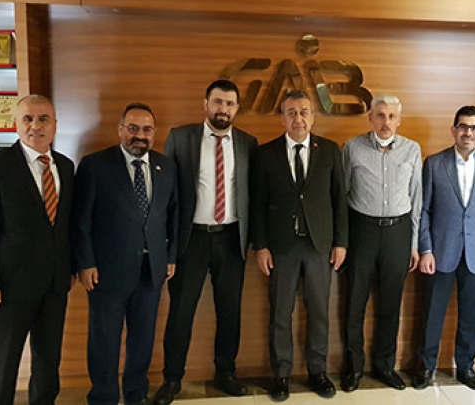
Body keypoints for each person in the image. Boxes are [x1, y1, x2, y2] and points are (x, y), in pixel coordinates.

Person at [152, 80, 258, 404]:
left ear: (237, 108)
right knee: (181, 312)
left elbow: (253, 195)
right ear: (206, 104)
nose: (223, 109)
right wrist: (167, 243)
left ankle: (226, 373)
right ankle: (172, 379)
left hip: (231, 238)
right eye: (218, 102)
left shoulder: (248, 143)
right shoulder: (181, 137)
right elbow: (166, 194)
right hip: (191, 239)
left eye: (229, 103)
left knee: (230, 311)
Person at [71, 103, 178, 405]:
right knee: (104, 341)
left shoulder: (166, 166)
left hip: (151, 270)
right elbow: (81, 220)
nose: (139, 135)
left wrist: (170, 256)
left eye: (146, 129)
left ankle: (136, 394)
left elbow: (173, 215)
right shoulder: (95, 165)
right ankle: (103, 396)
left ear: (154, 133)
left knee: (142, 340)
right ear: (120, 130)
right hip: (106, 272)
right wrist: (86, 263)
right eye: (133, 128)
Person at [251, 90, 348, 401]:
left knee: (318, 311)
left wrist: (341, 243)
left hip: (319, 246)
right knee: (280, 312)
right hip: (281, 247)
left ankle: (317, 372)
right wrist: (261, 246)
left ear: (313, 117)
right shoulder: (266, 154)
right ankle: (281, 375)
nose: (298, 118)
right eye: (291, 112)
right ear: (282, 118)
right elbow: (258, 204)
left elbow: (339, 200)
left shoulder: (329, 150)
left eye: (304, 112)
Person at [0, 94, 74, 405]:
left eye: (43, 119)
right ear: (16, 124)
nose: (36, 126)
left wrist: (71, 267)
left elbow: (67, 225)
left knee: (48, 362)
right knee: (3, 362)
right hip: (10, 285)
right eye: (28, 119)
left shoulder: (66, 166)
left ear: (55, 125)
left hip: (55, 283)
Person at [412, 106, 475, 391]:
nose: (468, 132)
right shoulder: (434, 163)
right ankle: (425, 366)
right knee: (432, 313)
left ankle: (466, 367)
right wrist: (426, 249)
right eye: (463, 126)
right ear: (453, 130)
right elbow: (424, 211)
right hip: (440, 252)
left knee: (472, 316)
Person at [340, 94, 422, 393]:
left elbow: (417, 199)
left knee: (390, 303)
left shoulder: (412, 149)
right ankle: (353, 367)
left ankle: (384, 366)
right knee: (355, 303)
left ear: (399, 120)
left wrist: (414, 244)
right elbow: (341, 196)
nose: (386, 122)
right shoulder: (352, 148)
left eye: (391, 116)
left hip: (398, 232)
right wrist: (341, 241)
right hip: (361, 231)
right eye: (380, 115)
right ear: (371, 118)